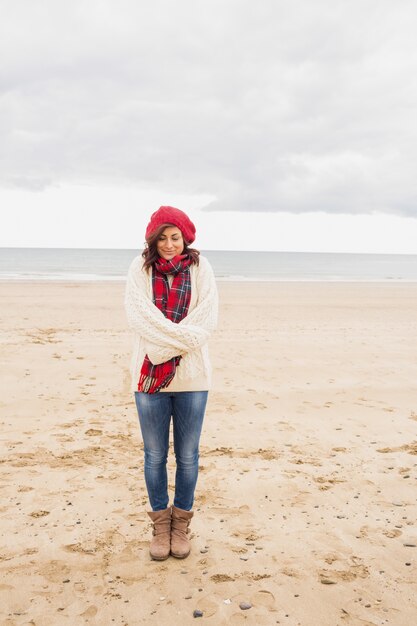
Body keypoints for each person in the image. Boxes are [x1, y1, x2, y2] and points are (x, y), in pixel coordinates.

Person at [125, 206, 218, 561]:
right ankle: (160, 526)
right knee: (154, 456)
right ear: (153, 239)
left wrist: (161, 344)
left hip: (193, 378)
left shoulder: (201, 268)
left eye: (174, 237)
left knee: (188, 456)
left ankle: (181, 525)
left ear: (185, 237)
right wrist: (176, 340)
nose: (168, 244)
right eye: (161, 238)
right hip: (148, 378)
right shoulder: (139, 268)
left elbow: (206, 321)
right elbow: (139, 316)